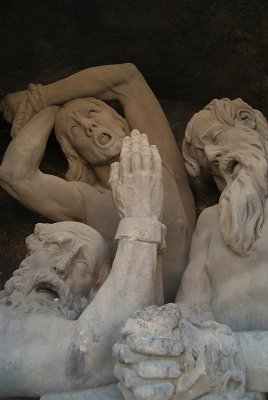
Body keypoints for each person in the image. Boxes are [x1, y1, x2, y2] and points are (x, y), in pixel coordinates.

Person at [113, 98, 268, 400]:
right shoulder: (212, 221)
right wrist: (155, 336)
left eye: (217, 138)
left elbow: (208, 347)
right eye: (207, 164)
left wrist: (217, 353)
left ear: (247, 122)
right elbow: (191, 310)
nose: (212, 155)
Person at [0, 63, 195, 302]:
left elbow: (127, 78)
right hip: (125, 322)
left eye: (92, 113)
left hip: (195, 305)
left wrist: (42, 97)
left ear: (121, 122)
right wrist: (49, 110)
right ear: (75, 154)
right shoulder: (88, 200)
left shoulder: (158, 161)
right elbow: (15, 175)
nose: (89, 126)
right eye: (75, 129)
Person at [0, 130, 167, 397]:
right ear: (28, 255)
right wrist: (141, 219)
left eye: (81, 263)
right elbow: (88, 359)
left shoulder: (66, 327)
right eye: (56, 247)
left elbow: (116, 343)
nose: (62, 266)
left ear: (95, 290)